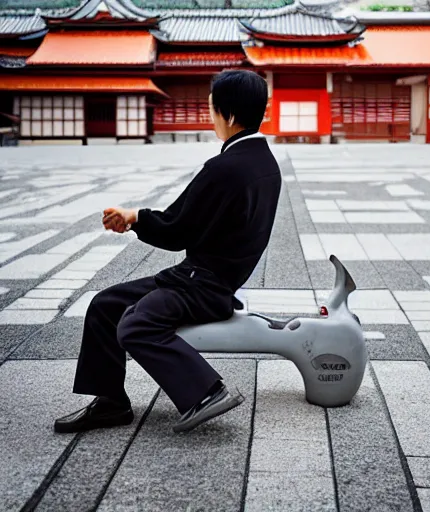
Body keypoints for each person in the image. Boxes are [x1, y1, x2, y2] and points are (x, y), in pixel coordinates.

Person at [54, 70, 282, 434]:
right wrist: (136, 218)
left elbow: (177, 230)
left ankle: (207, 391)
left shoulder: (225, 168)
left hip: (201, 286)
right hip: (213, 279)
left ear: (230, 115)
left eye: (212, 109)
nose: (211, 117)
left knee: (135, 324)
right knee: (105, 305)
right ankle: (111, 402)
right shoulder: (264, 163)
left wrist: (133, 219)